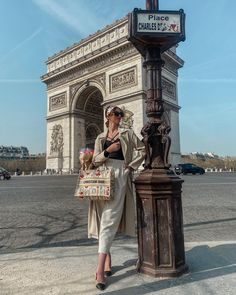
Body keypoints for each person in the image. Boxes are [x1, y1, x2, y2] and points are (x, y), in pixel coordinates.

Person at [89, 105, 146, 290]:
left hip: (119, 177)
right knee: (101, 219)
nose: (119, 117)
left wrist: (131, 166)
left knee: (109, 220)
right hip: (101, 179)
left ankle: (99, 270)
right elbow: (94, 161)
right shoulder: (100, 137)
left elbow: (143, 149)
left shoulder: (128, 133)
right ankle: (108, 258)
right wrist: (108, 150)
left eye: (121, 114)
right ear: (108, 116)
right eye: (115, 114)